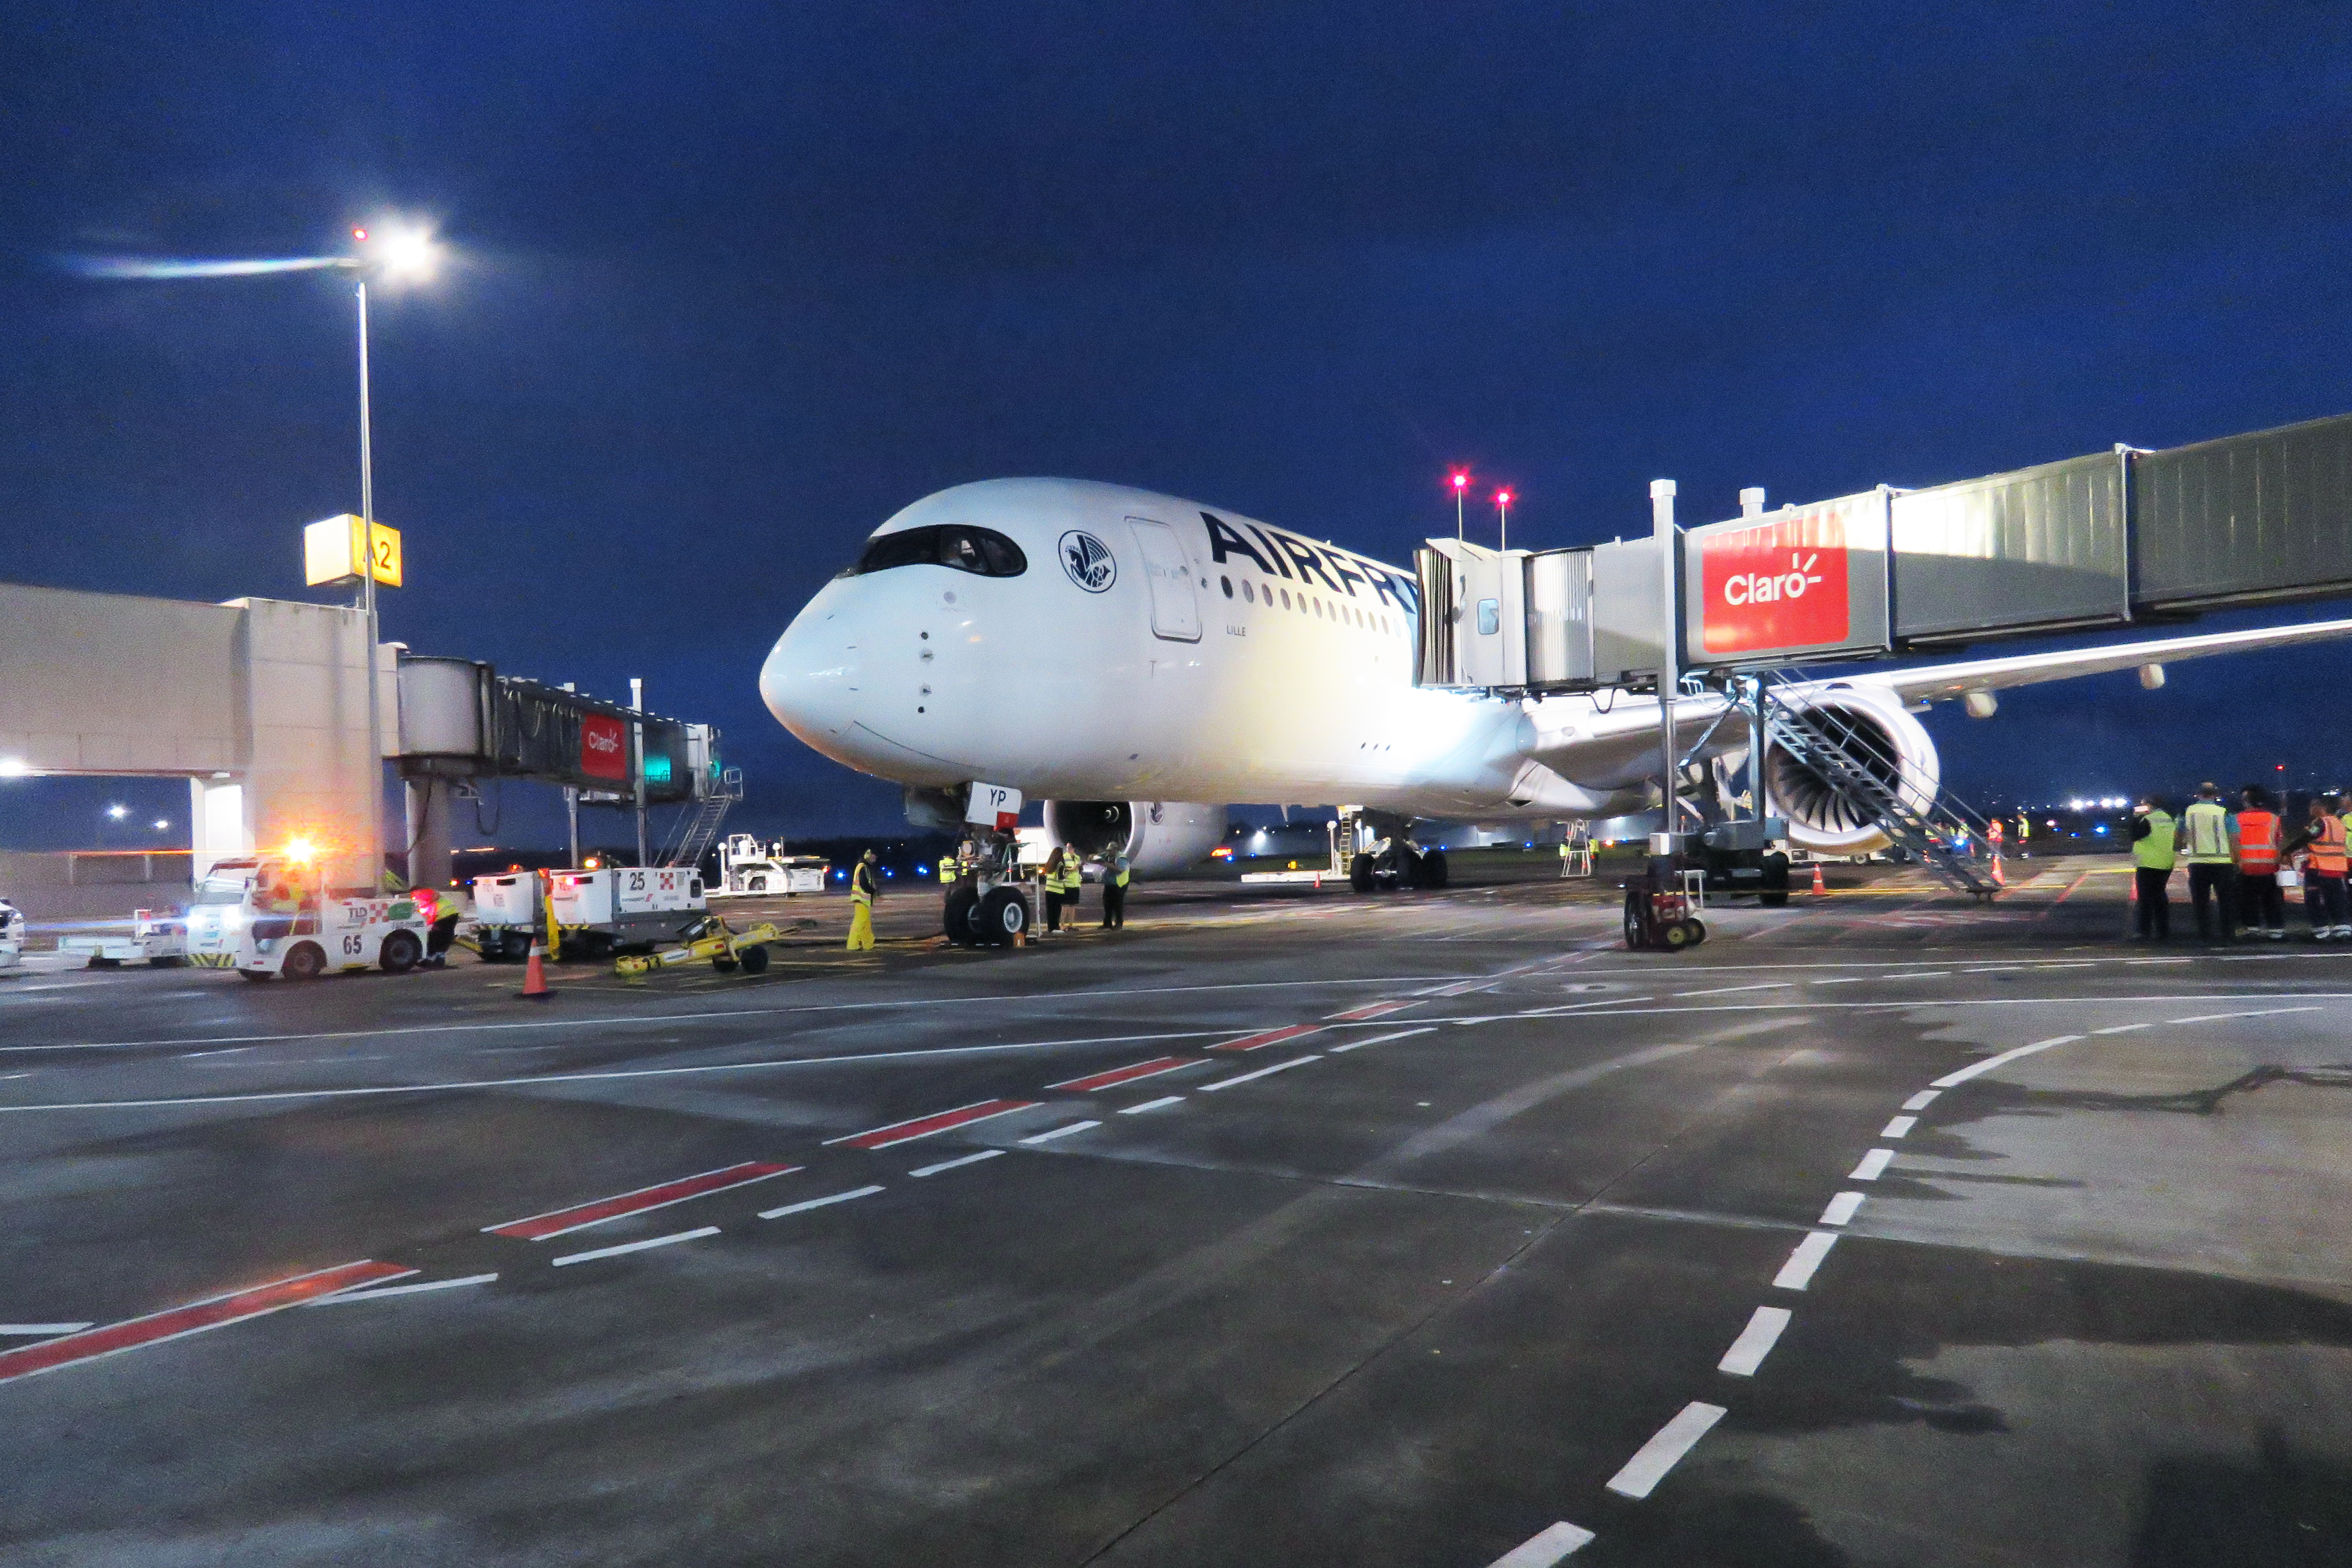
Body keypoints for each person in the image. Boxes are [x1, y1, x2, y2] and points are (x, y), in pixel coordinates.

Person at [2285, 793, 2350, 940]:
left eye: (2313, 805)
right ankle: (2343, 930)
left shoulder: (2320, 823)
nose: (2311, 808)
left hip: (2319, 868)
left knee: (2314, 900)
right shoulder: (2339, 823)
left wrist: (2287, 851)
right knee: (2337, 900)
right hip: (2338, 868)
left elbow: (2307, 837)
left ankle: (2322, 931)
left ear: (2322, 807)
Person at [2180, 782, 2236, 942]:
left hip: (2197, 863)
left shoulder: (2188, 812)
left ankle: (2204, 935)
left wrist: (2184, 844)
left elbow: (2179, 835)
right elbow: (2234, 838)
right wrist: (2236, 860)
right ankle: (2228, 935)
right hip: (2223, 863)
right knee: (2226, 901)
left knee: (2201, 902)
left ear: (2198, 794)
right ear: (2215, 795)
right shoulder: (2225, 812)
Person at [2235, 785, 2287, 941]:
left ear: (2246, 801)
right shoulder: (2273, 818)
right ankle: (2276, 930)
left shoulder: (2238, 819)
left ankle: (2252, 929)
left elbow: (2234, 842)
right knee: (2271, 901)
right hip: (2269, 867)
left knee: (2248, 900)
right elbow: (2279, 842)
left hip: (2246, 866)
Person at [2127, 795, 2174, 941]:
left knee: (2145, 899)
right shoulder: (2167, 818)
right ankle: (2163, 931)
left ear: (2149, 806)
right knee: (2160, 897)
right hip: (2165, 863)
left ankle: (2144, 931)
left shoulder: (2147, 820)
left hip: (2148, 863)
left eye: (2142, 805)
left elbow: (2134, 835)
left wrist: (2136, 818)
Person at [846, 849, 879, 951]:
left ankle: (868, 944)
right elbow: (864, 883)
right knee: (860, 923)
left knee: (866, 924)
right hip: (862, 899)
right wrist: (873, 891)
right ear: (868, 855)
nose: (875, 858)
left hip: (863, 900)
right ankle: (852, 945)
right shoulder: (863, 867)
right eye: (874, 856)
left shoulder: (864, 866)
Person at [1101, 852, 1130, 929]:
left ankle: (1119, 923)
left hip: (1118, 885)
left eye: (1110, 851)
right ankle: (1108, 923)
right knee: (1108, 905)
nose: (1109, 852)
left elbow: (1121, 870)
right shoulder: (1109, 857)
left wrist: (1109, 866)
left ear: (1115, 850)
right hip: (1109, 885)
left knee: (1118, 905)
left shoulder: (1121, 859)